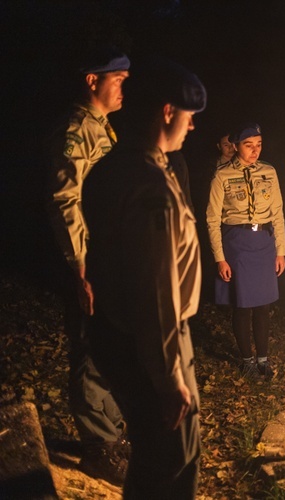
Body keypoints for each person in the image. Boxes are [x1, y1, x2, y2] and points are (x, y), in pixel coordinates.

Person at [81, 57, 206, 499]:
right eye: (188, 117)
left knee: (159, 454)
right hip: (149, 342)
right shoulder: (151, 187)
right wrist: (169, 376)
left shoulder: (111, 169)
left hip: (118, 332)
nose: (192, 128)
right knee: (172, 456)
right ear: (168, 111)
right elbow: (156, 292)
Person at [47, 47, 130, 484]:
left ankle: (111, 433)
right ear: (92, 80)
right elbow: (66, 200)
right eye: (117, 78)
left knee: (111, 344)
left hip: (108, 258)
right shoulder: (77, 128)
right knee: (92, 347)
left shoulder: (103, 128)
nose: (124, 86)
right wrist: (80, 266)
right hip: (88, 261)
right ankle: (99, 448)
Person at [206, 123, 285, 380]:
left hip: (263, 242)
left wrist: (280, 251)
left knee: (262, 305)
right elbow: (212, 219)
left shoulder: (269, 172)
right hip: (237, 244)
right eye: (249, 145)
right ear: (236, 146)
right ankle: (246, 360)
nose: (255, 150)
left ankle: (263, 358)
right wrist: (220, 257)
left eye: (259, 144)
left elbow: (278, 214)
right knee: (242, 305)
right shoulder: (222, 175)